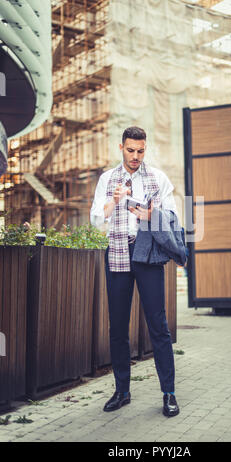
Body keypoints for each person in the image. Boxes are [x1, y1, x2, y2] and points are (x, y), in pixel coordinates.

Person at [90, 126, 180, 417]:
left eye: (141, 151)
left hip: (146, 253)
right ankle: (122, 391)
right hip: (116, 251)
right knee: (117, 327)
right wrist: (114, 201)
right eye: (131, 150)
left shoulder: (158, 178)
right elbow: (94, 220)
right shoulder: (107, 179)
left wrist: (151, 215)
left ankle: (169, 394)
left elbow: (175, 217)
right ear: (121, 148)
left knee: (158, 325)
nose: (136, 156)